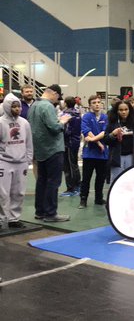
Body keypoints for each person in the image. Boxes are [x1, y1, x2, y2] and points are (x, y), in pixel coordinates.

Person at [29, 84, 71, 222]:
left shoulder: (34, 105)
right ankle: (51, 213)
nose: (57, 100)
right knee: (53, 182)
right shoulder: (47, 106)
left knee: (41, 181)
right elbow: (54, 128)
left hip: (40, 150)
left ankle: (40, 211)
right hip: (53, 149)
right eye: (58, 97)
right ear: (54, 93)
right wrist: (63, 121)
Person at [0, 94, 32, 230]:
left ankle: (14, 219)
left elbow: (29, 143)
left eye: (18, 106)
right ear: (7, 107)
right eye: (14, 106)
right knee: (2, 193)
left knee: (19, 192)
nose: (17, 109)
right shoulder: (1, 123)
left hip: (21, 162)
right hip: (4, 162)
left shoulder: (24, 123)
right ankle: (1, 219)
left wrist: (28, 159)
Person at [79, 95, 109, 209]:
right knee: (86, 178)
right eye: (94, 102)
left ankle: (98, 198)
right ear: (90, 105)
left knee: (100, 178)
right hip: (89, 153)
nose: (97, 104)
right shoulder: (86, 116)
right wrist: (98, 143)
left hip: (102, 154)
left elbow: (104, 132)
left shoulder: (105, 117)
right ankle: (83, 199)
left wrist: (92, 140)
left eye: (98, 102)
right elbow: (86, 131)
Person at [106, 100, 134, 183]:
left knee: (131, 181)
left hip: (132, 157)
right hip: (117, 157)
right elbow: (106, 140)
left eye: (126, 109)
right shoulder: (112, 123)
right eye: (121, 110)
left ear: (130, 110)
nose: (123, 112)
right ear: (117, 111)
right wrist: (113, 134)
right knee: (116, 181)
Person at [61, 97, 82, 197]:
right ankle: (77, 186)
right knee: (74, 164)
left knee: (68, 166)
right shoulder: (78, 113)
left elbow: (66, 130)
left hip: (68, 142)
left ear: (65, 103)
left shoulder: (66, 114)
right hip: (76, 141)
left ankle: (72, 188)